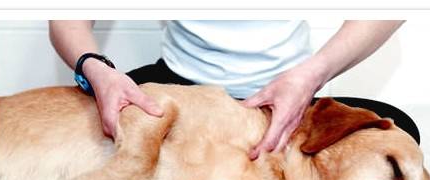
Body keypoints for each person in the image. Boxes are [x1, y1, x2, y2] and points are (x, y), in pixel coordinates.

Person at [49, 20, 410, 160]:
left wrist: (311, 75)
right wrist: (97, 70)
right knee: (74, 133)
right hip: (183, 92)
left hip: (290, 97)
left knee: (399, 133)